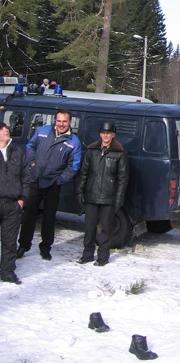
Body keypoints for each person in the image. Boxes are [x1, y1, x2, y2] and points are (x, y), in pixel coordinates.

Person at [17, 110, 82, 260]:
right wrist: (32, 163)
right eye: (59, 121)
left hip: (53, 184)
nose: (61, 124)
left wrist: (59, 180)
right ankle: (23, 245)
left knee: (49, 217)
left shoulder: (73, 142)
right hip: (35, 180)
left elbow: (73, 166)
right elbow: (30, 147)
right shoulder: (43, 131)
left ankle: (46, 247)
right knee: (28, 216)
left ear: (69, 122)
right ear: (55, 121)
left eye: (64, 121)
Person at [76, 122, 129, 267]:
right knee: (89, 227)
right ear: (100, 134)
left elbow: (123, 178)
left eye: (109, 133)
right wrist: (80, 191)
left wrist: (119, 198)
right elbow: (84, 173)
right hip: (92, 195)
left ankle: (103, 257)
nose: (106, 136)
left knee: (106, 228)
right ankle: (87, 254)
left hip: (108, 196)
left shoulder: (119, 153)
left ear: (113, 135)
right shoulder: (92, 150)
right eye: (103, 133)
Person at [0, 122, 29, 284]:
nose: (6, 131)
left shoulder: (18, 152)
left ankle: (7, 272)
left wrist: (22, 199)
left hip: (13, 205)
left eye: (7, 129)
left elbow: (26, 177)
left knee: (10, 241)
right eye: (2, 129)